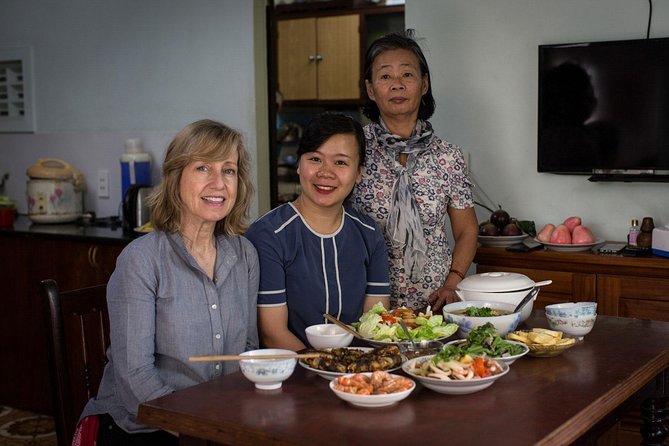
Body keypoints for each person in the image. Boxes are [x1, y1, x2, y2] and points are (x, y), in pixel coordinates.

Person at [78, 119, 259, 445]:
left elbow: (247, 352)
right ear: (175, 178)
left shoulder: (245, 255)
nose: (219, 182)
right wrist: (201, 429)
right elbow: (135, 380)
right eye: (203, 168)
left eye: (229, 170)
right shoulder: (141, 259)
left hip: (218, 421)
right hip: (146, 425)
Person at [349, 30, 479, 313]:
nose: (397, 85)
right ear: (370, 90)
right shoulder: (351, 149)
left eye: (407, 75)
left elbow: (467, 229)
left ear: (423, 84)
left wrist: (453, 283)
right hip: (366, 300)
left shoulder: (448, 156)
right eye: (385, 76)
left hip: (435, 303)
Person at [245, 112, 390, 351]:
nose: (326, 172)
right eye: (315, 159)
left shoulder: (369, 233)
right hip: (293, 375)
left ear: (359, 172)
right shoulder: (268, 234)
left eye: (341, 162)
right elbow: (272, 333)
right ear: (299, 164)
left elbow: (374, 323)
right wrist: (332, 369)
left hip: (358, 374)